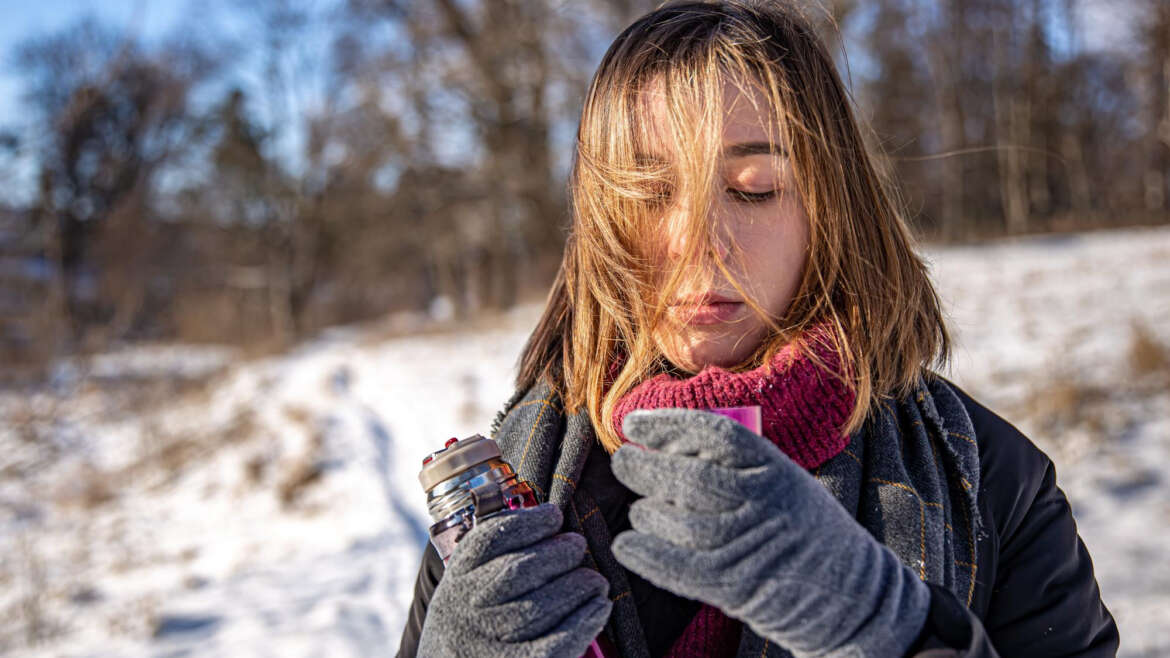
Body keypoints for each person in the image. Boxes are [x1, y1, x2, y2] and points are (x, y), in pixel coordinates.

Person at [397, 1, 1119, 656]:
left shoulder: (994, 485)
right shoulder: (504, 505)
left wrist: (887, 626)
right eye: (648, 194)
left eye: (754, 189)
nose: (696, 241)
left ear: (830, 208)